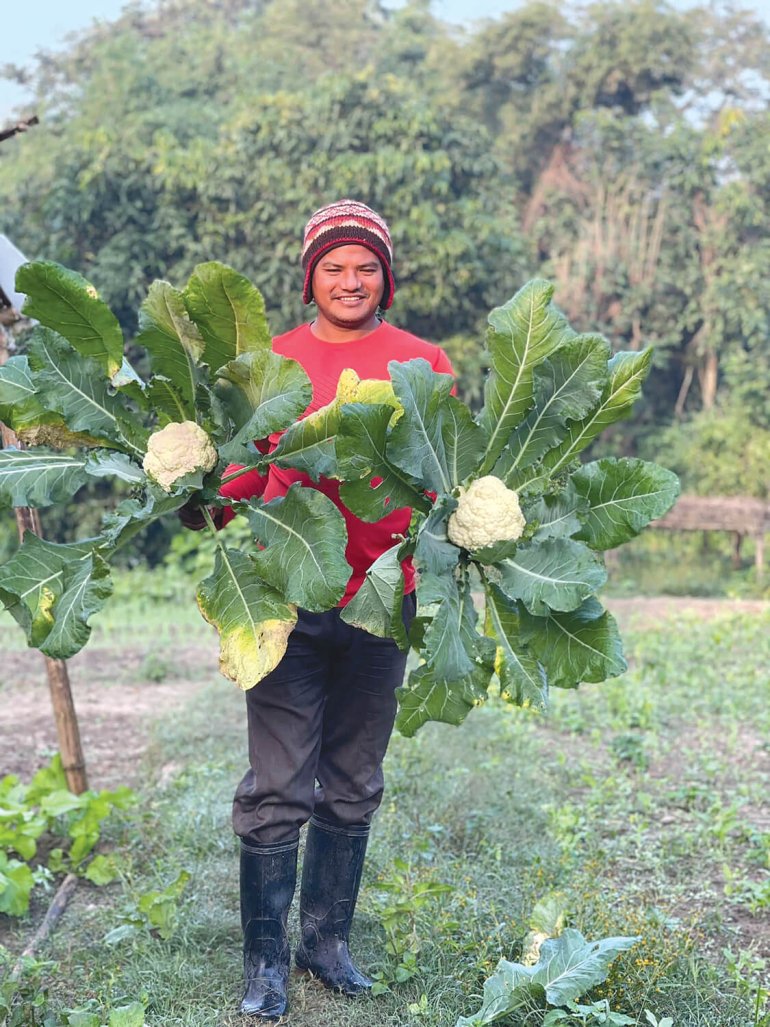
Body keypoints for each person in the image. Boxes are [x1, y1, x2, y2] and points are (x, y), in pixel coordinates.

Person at [180, 199, 453, 1020]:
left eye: (365, 266)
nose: (350, 280)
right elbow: (245, 467)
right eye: (333, 266)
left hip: (383, 598)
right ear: (310, 278)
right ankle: (265, 964)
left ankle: (326, 943)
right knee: (277, 778)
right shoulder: (274, 361)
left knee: (355, 776)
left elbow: (443, 472)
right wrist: (203, 498)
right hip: (284, 599)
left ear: (386, 278)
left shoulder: (422, 360)